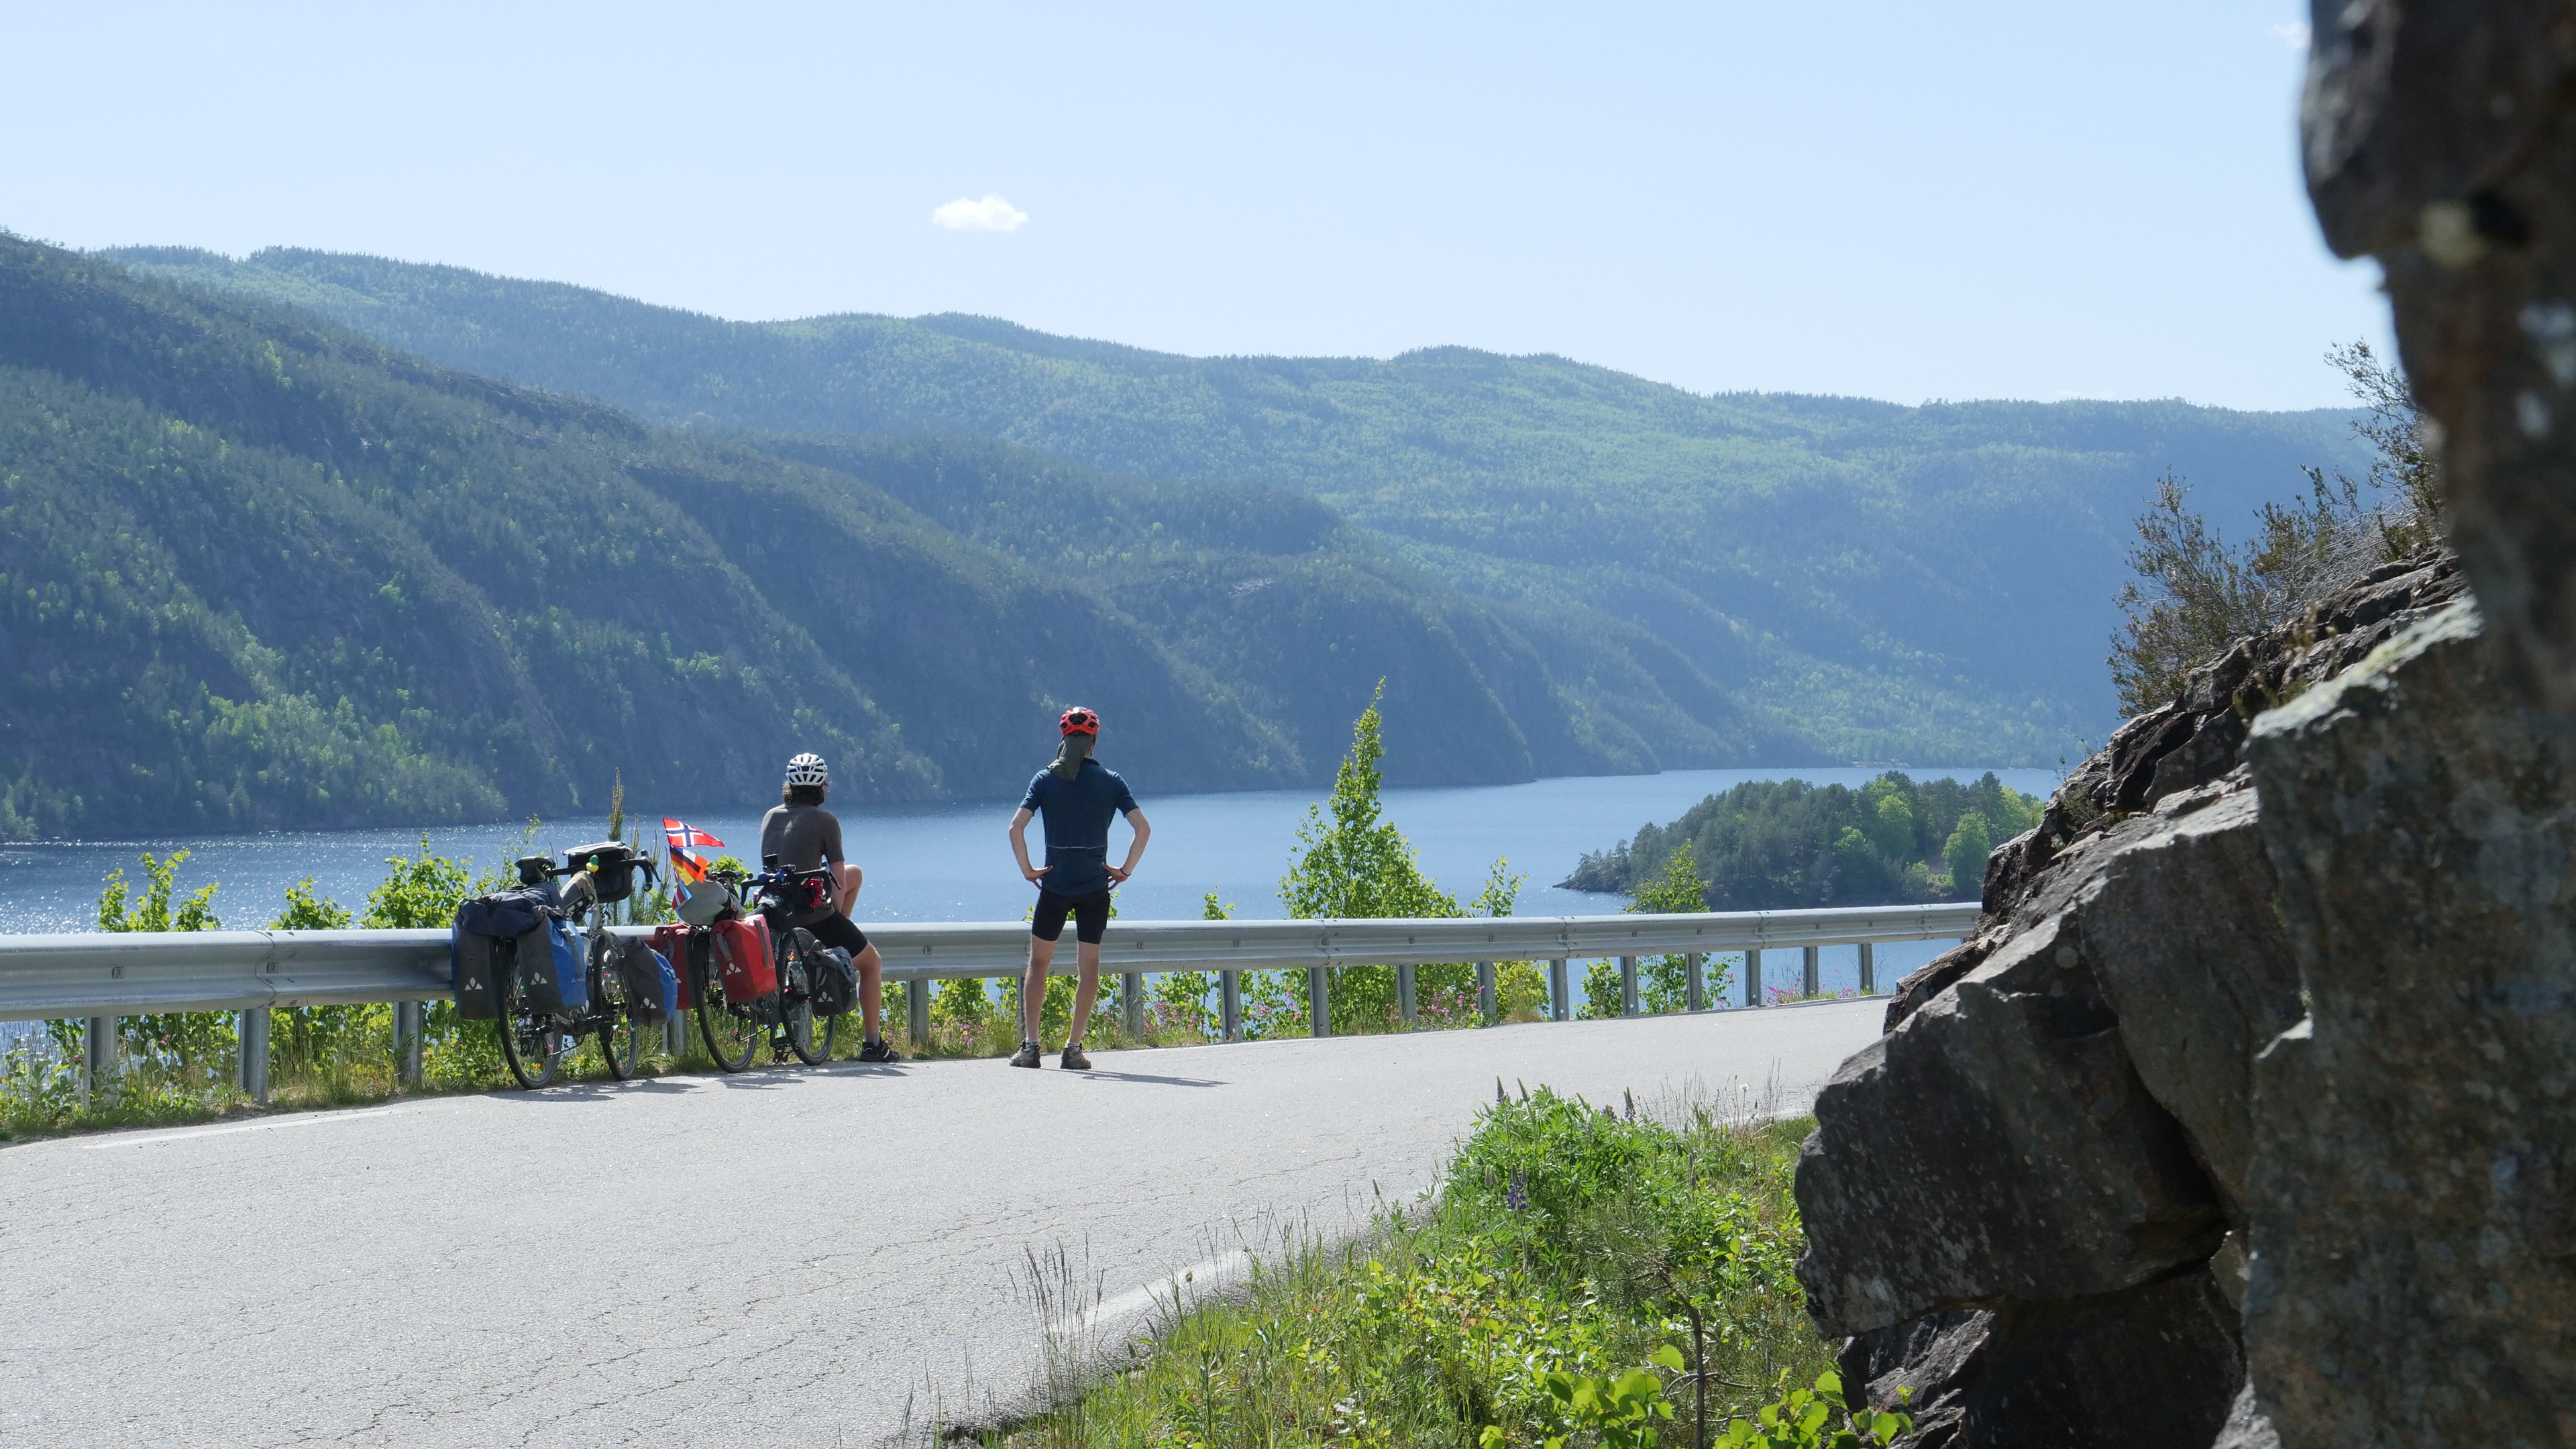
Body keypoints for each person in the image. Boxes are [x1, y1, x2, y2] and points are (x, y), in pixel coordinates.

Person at [1007, 707, 1150, 1070]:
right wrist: (1125, 870)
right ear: (1094, 741)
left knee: (1038, 964)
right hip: (1094, 889)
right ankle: (1073, 1049)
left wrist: (1028, 870)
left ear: (1064, 738)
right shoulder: (1112, 781)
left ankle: (1031, 1048)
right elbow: (1143, 830)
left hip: (1054, 886)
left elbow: (1015, 829)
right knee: (1089, 969)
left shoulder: (1044, 780)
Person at [759, 752, 898, 1063]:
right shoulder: (825, 820)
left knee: (856, 875)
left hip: (775, 912)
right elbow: (835, 874)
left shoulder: (770, 817)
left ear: (789, 786)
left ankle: (836, 950)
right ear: (822, 786)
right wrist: (834, 915)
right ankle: (873, 1044)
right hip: (813, 917)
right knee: (872, 964)